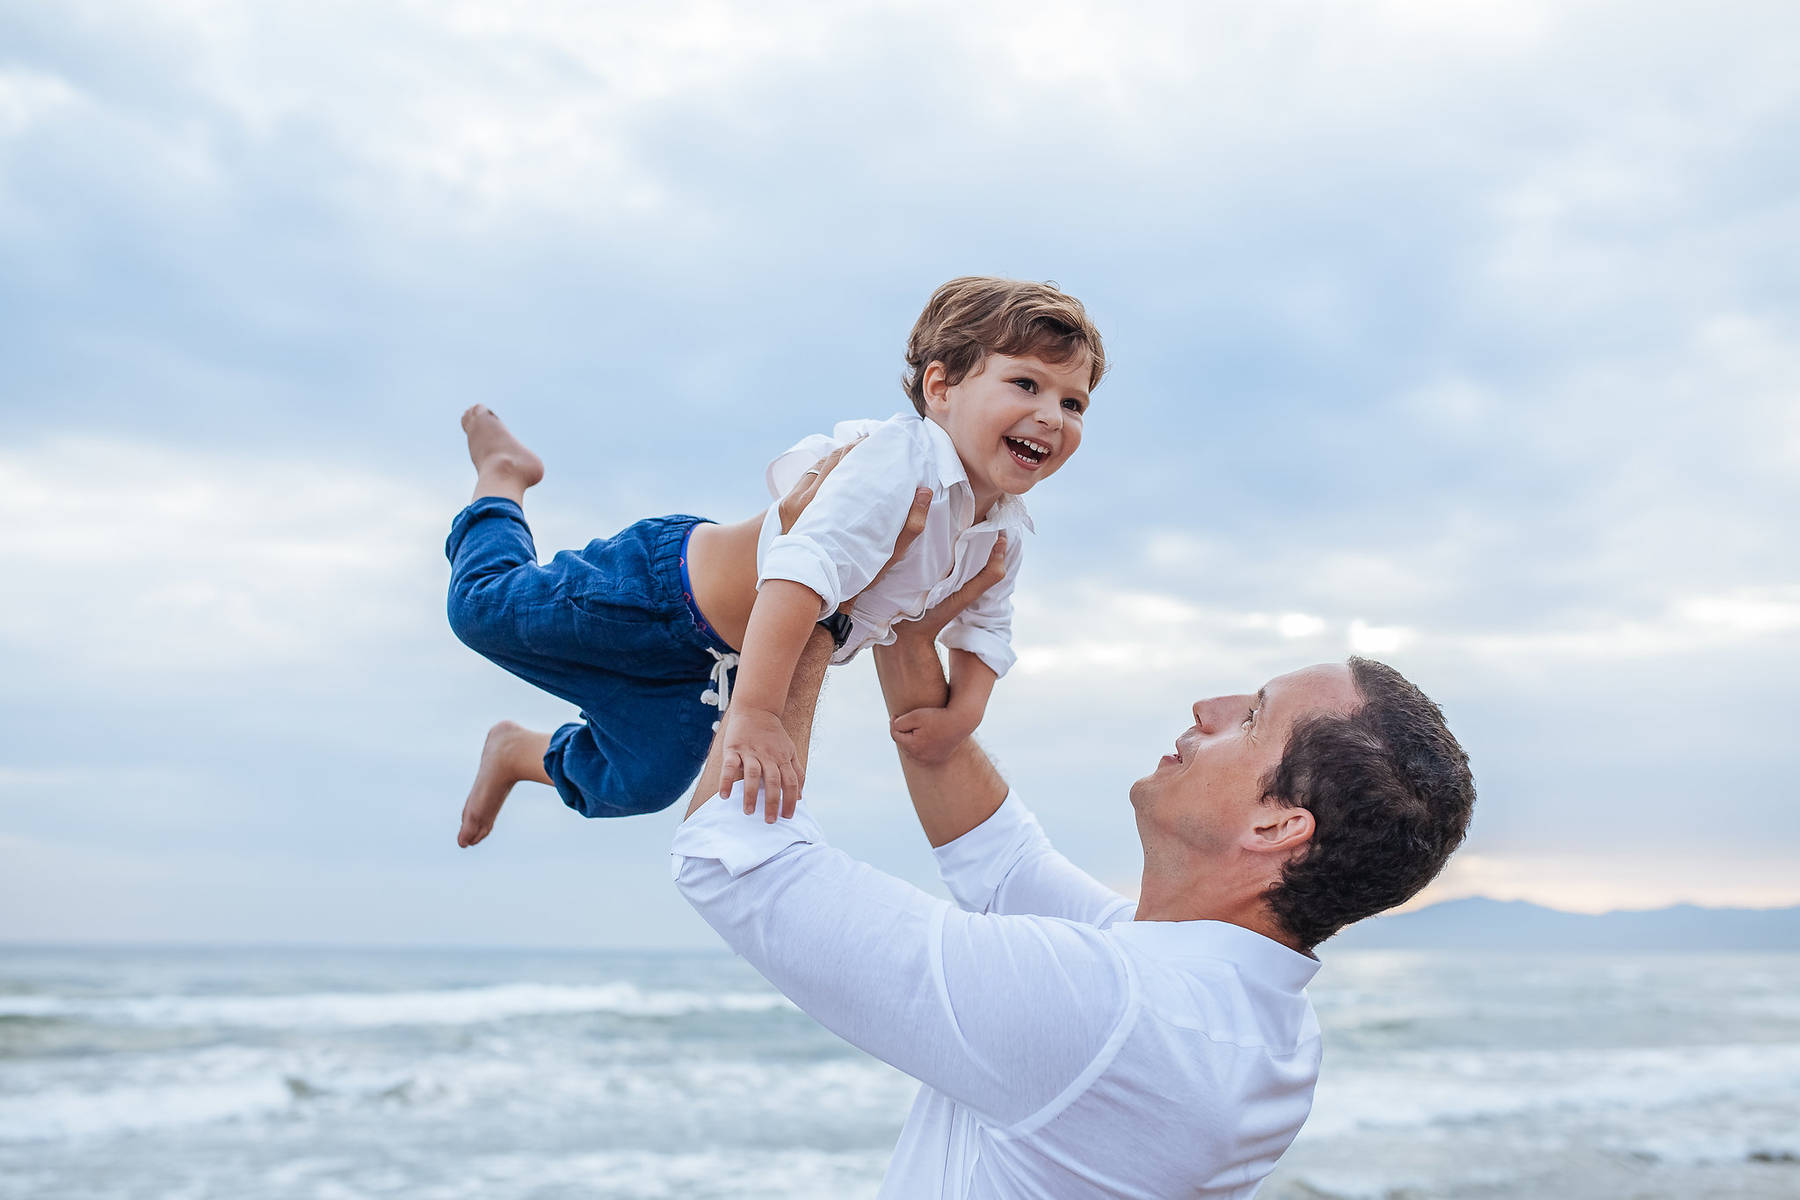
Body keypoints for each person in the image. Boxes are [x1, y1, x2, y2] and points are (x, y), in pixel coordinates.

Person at [672, 461, 1476, 1197]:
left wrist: (824, 599)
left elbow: (736, 860)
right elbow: (1002, 862)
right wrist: (908, 631)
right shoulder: (1244, 1018)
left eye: (1254, 716)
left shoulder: (1112, 1014)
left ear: (1277, 825)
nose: (1209, 707)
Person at [443, 276, 1106, 846]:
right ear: (941, 387)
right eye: (1027, 384)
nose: (1052, 415)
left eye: (1072, 402)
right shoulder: (898, 466)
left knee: (635, 786)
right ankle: (502, 476)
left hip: (718, 666)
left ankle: (516, 750)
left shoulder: (1004, 533)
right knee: (479, 610)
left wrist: (963, 714)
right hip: (662, 594)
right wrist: (759, 714)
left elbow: (986, 628)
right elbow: (798, 575)